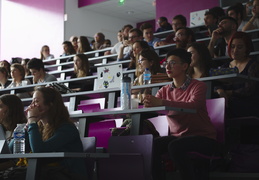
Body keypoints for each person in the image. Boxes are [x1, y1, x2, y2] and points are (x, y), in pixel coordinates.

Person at [143, 48, 217, 180]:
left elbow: (193, 106)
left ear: (184, 66)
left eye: (172, 63)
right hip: (178, 137)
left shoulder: (198, 86)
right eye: (166, 63)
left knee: (175, 146)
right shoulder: (164, 90)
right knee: (152, 145)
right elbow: (154, 107)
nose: (168, 66)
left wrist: (160, 102)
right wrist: (147, 102)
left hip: (203, 138)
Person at [22, 86, 87, 179]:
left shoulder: (67, 128)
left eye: (36, 101)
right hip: (47, 173)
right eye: (32, 102)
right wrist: (28, 124)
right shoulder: (38, 128)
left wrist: (32, 121)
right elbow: (12, 149)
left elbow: (39, 151)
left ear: (50, 104)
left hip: (68, 175)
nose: (31, 106)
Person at [216, 31, 259, 118]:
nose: (235, 50)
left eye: (240, 47)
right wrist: (220, 91)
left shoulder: (253, 65)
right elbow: (216, 83)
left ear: (247, 48)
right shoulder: (225, 66)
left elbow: (248, 90)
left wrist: (227, 93)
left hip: (247, 104)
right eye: (232, 47)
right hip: (227, 102)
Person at [0, 94, 27, 171]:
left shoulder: (22, 129)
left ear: (11, 109)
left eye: (0, 107)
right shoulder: (2, 131)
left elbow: (15, 160)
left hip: (14, 170)